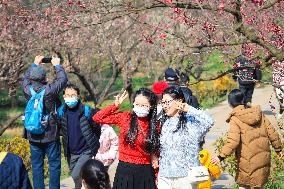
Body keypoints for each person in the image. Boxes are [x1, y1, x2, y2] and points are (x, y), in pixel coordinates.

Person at [214, 89, 282, 189]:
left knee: (244, 185)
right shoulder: (258, 113)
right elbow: (272, 133)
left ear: (230, 103)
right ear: (243, 100)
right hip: (263, 158)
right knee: (258, 184)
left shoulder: (235, 118)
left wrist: (220, 157)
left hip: (246, 160)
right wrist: (278, 149)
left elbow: (233, 141)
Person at [93, 89, 159, 189]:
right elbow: (97, 117)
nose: (140, 107)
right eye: (137, 104)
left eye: (144, 105)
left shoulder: (155, 125)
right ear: (133, 103)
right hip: (124, 169)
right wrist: (115, 105)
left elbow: (156, 148)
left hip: (145, 170)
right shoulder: (125, 118)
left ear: (151, 106)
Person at [22, 55, 68, 189]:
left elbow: (24, 79)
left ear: (32, 78)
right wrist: (57, 65)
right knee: (54, 165)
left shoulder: (27, 90)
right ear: (44, 78)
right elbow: (63, 79)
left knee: (36, 167)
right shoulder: (49, 91)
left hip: (33, 134)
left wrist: (35, 64)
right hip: (50, 134)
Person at [158, 86, 214, 189]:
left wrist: (189, 109)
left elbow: (209, 121)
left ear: (179, 100)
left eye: (168, 102)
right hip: (164, 176)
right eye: (163, 102)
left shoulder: (191, 122)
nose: (165, 106)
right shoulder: (163, 122)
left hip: (186, 177)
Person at [57, 83, 101, 189]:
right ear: (64, 97)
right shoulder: (61, 112)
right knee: (77, 178)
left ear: (78, 96)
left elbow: (96, 129)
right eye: (67, 95)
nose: (70, 97)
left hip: (86, 151)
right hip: (71, 153)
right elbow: (60, 129)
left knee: (75, 175)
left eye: (73, 95)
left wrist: (93, 143)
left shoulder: (87, 111)